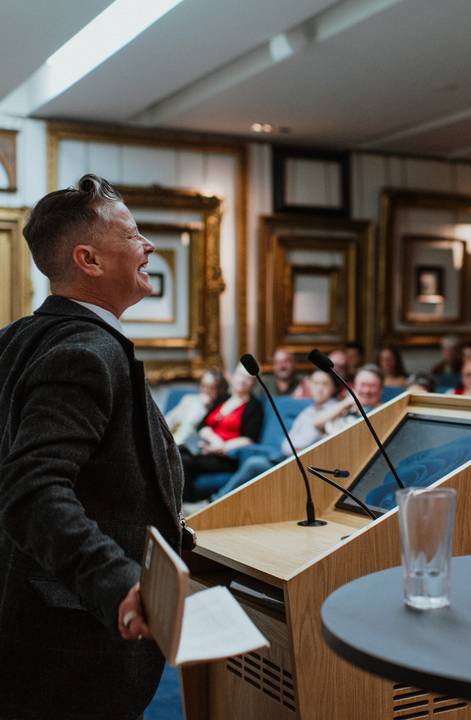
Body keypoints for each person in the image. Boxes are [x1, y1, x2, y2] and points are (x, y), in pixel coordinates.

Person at [0, 174, 184, 720]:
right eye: (132, 235)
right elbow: (31, 490)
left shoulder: (17, 336)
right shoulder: (86, 352)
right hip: (73, 641)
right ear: (89, 259)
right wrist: (119, 581)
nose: (148, 247)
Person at [210, 370, 341, 501]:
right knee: (255, 459)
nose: (319, 388)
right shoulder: (308, 411)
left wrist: (295, 446)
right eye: (316, 383)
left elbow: (307, 441)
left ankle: (217, 500)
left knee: (254, 463)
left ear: (333, 388)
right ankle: (222, 501)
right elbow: (287, 444)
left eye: (325, 384)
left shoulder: (335, 410)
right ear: (310, 385)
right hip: (288, 458)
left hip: (307, 464)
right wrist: (293, 447)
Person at [181, 363, 264, 500]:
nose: (242, 380)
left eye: (248, 378)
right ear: (233, 376)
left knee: (182, 461)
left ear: (254, 382)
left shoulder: (254, 406)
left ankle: (186, 506)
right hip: (203, 446)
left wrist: (220, 447)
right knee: (172, 453)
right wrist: (213, 438)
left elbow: (249, 439)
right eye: (240, 375)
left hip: (225, 456)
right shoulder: (223, 398)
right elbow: (202, 425)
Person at [164, 368, 229, 445]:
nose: (206, 390)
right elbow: (169, 421)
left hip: (189, 448)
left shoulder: (221, 409)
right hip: (172, 443)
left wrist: (203, 408)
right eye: (203, 385)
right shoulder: (189, 400)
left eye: (211, 387)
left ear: (220, 390)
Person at [321, 364, 383, 434]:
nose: (366, 390)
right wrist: (345, 403)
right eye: (363, 385)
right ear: (355, 386)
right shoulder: (344, 405)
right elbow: (318, 423)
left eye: (372, 386)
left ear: (381, 389)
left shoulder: (384, 412)